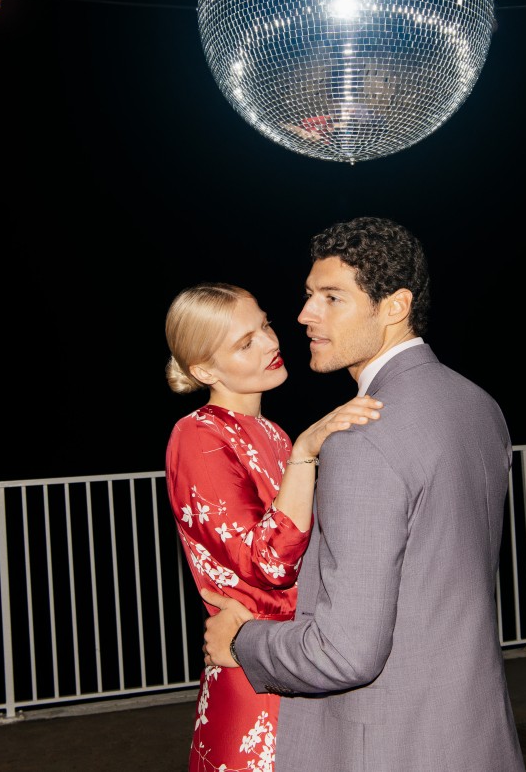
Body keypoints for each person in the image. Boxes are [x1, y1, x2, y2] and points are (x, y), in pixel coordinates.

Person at [200, 218, 526, 771]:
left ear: (394, 306)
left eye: (332, 297)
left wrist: (243, 642)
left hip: (390, 749)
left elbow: (344, 653)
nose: (305, 315)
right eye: (309, 295)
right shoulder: (477, 405)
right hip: (474, 735)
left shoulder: (362, 440)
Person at [164, 282, 383, 772]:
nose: (269, 342)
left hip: (292, 659)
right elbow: (270, 564)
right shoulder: (197, 435)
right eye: (245, 343)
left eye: (264, 325)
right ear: (204, 370)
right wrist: (306, 453)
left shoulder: (272, 433)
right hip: (253, 678)